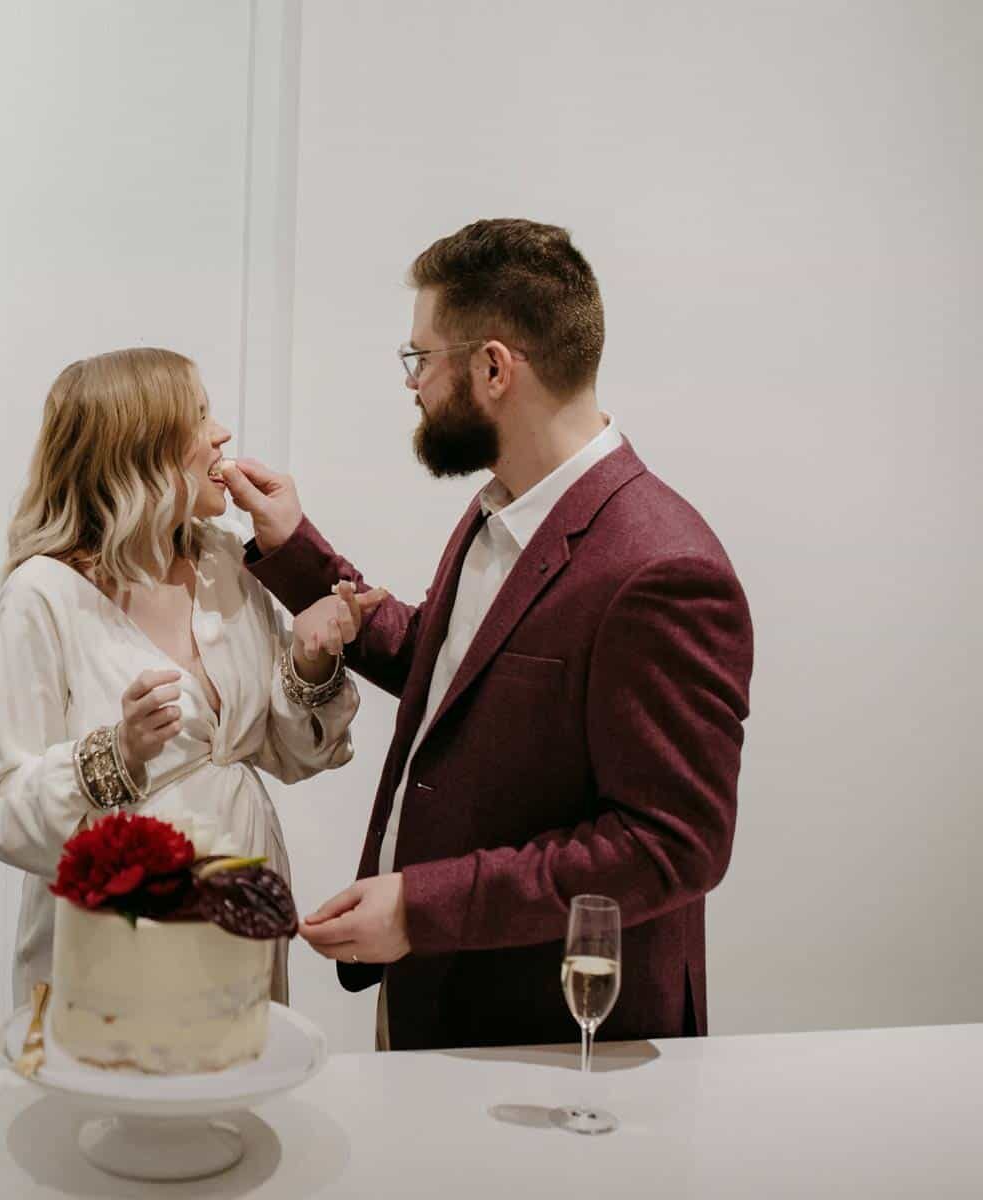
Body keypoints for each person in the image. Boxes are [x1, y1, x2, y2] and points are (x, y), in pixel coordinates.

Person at [222, 219, 754, 1050]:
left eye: (419, 358)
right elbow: (448, 668)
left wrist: (424, 906)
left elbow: (670, 847)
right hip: (440, 993)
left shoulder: (662, 568)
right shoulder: (502, 508)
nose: (413, 385)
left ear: (494, 368)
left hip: (557, 1036)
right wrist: (296, 550)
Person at [0, 347, 377, 1008]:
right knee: (121, 1102)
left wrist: (311, 659)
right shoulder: (42, 596)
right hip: (114, 945)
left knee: (230, 1099)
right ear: (138, 450)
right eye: (199, 417)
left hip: (241, 924)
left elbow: (291, 756)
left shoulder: (226, 561)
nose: (221, 435)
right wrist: (116, 755)